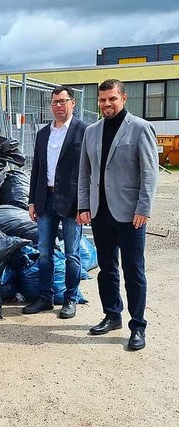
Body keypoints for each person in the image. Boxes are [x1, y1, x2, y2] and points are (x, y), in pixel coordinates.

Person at [78, 79, 158, 351]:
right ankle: (112, 315)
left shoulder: (140, 128)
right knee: (107, 268)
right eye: (102, 100)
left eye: (112, 98)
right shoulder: (92, 131)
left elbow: (149, 172)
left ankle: (138, 326)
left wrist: (143, 209)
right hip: (100, 212)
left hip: (130, 213)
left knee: (134, 270)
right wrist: (83, 205)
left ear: (124, 98)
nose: (107, 104)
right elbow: (84, 173)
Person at [23, 86, 88, 319]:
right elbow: (36, 169)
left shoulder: (84, 131)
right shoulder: (43, 134)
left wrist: (85, 205)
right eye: (54, 102)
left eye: (62, 101)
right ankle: (45, 297)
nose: (58, 106)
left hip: (72, 202)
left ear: (72, 103)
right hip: (45, 199)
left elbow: (88, 170)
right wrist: (32, 201)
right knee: (44, 253)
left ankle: (70, 298)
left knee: (72, 253)